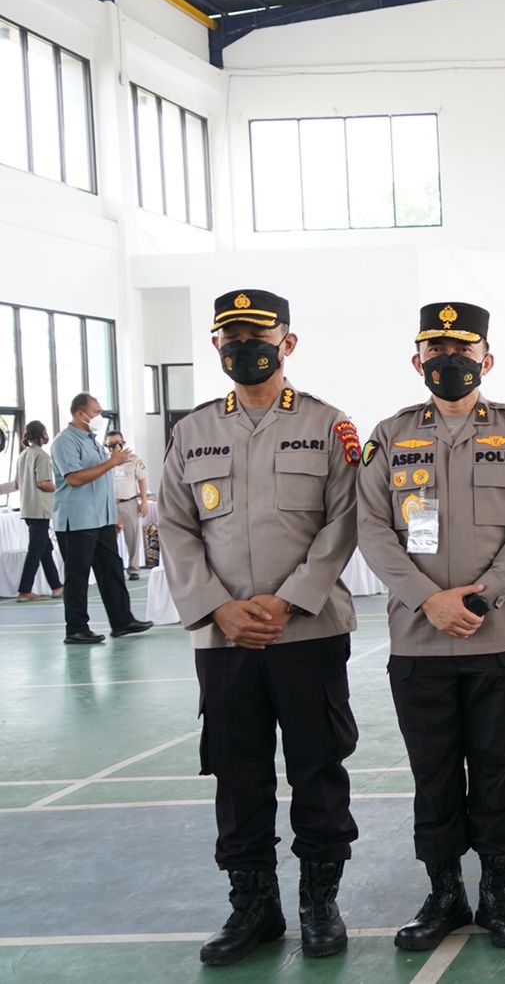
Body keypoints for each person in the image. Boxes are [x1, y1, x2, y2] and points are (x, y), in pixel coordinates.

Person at [159, 290, 361, 967]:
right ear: (217, 347)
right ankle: (253, 906)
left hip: (306, 633)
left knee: (318, 768)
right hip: (225, 640)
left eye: (258, 335)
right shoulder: (191, 432)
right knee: (237, 773)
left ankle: (318, 903)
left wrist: (292, 598)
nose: (245, 347)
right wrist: (217, 607)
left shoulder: (329, 426)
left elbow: (343, 521)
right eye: (232, 337)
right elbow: (177, 528)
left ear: (288, 343)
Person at [356, 301, 505, 952]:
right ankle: (445, 893)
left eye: (462, 353)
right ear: (418, 362)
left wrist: (480, 596)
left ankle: (498, 891)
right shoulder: (388, 435)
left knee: (496, 769)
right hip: (419, 639)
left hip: (496, 636)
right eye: (435, 353)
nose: (448, 363)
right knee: (433, 772)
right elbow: (372, 527)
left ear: (486, 361)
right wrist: (426, 599)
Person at [51, 393, 152, 645]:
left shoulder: (93, 441)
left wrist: (113, 513)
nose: (99, 417)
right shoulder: (65, 442)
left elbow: (103, 483)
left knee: (112, 570)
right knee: (78, 576)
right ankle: (76, 628)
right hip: (77, 521)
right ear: (80, 414)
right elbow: (74, 478)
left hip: (102, 519)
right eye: (96, 412)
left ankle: (122, 621)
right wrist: (112, 463)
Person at [13, 421, 63, 601]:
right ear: (41, 434)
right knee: (36, 550)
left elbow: (18, 484)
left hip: (28, 508)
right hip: (40, 509)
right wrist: (60, 487)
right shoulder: (41, 456)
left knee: (45, 548)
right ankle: (24, 590)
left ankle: (56, 586)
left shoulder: (23, 455)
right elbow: (43, 483)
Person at [104, 430, 150, 579]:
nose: (116, 447)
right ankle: (113, 569)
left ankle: (134, 569)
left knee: (132, 537)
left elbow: (142, 480)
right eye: (111, 444)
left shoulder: (133, 459)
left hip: (129, 501)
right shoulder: (103, 461)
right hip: (109, 503)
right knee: (109, 539)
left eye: (119, 443)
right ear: (106, 445)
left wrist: (143, 501)